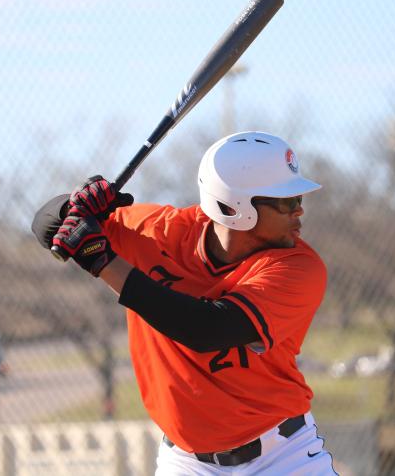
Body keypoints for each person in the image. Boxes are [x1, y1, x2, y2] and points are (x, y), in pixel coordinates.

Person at [32, 131, 337, 475]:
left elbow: (207, 329)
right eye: (285, 201)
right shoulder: (158, 231)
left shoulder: (298, 267)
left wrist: (102, 262)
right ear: (235, 207)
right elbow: (46, 226)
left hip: (281, 456)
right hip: (187, 463)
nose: (299, 211)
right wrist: (75, 206)